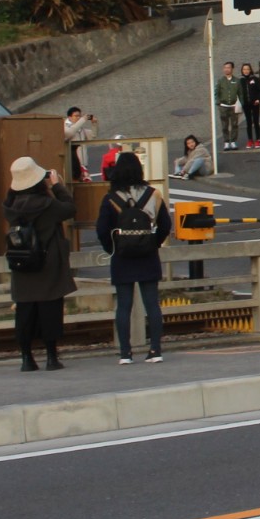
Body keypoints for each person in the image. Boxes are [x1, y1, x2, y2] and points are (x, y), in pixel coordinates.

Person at [96, 151, 172, 365]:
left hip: (122, 256)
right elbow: (166, 225)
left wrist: (113, 247)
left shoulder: (111, 198)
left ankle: (125, 353)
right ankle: (155, 349)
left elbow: (102, 229)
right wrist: (153, 242)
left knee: (124, 306)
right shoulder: (153, 194)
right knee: (152, 304)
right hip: (147, 254)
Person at [3, 157, 75, 371]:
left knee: (24, 311)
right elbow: (70, 209)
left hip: (21, 262)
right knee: (50, 308)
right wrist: (56, 185)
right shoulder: (47, 205)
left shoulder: (10, 207)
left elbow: (10, 197)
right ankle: (51, 357)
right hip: (48, 262)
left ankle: (26, 358)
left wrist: (15, 186)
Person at [63, 107, 97, 179]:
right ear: (69, 117)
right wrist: (83, 120)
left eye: (79, 116)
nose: (78, 118)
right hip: (73, 163)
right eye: (76, 116)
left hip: (83, 163)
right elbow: (70, 133)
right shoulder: (65, 127)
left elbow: (93, 136)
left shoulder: (80, 129)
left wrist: (94, 124)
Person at [215, 62, 242, 151]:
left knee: (234, 124)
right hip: (223, 106)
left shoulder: (237, 81)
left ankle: (233, 141)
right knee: (224, 125)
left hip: (234, 106)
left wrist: (242, 103)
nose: (226, 69)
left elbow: (240, 93)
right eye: (225, 68)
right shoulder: (220, 81)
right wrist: (218, 102)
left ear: (232, 69)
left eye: (228, 68)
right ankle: (226, 142)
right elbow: (216, 92)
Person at [239, 64, 260, 150]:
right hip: (246, 104)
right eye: (244, 69)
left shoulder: (255, 79)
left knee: (256, 121)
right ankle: (250, 139)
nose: (246, 71)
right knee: (248, 122)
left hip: (254, 103)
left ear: (250, 70)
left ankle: (258, 139)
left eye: (247, 69)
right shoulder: (241, 80)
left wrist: (258, 99)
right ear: (242, 71)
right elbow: (239, 92)